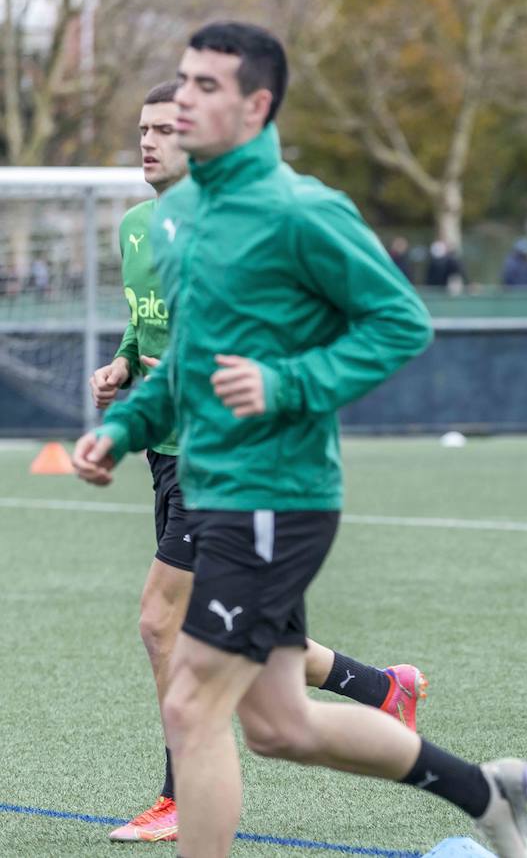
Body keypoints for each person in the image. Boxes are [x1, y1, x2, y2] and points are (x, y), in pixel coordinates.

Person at [73, 22, 527, 858]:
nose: (182, 100)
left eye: (205, 86)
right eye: (183, 81)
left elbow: (400, 323)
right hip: (212, 486)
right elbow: (184, 365)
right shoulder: (185, 223)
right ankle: (486, 792)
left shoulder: (301, 209)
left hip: (276, 495)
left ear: (255, 105)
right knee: (280, 725)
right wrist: (120, 426)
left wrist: (289, 384)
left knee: (191, 706)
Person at [87, 80, 429, 845]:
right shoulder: (139, 227)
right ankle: (383, 688)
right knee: (256, 642)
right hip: (167, 454)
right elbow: (150, 326)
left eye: (164, 130)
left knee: (159, 620)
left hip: (232, 464)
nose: (147, 143)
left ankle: (180, 792)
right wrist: (121, 365)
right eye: (140, 130)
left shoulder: (246, 225)